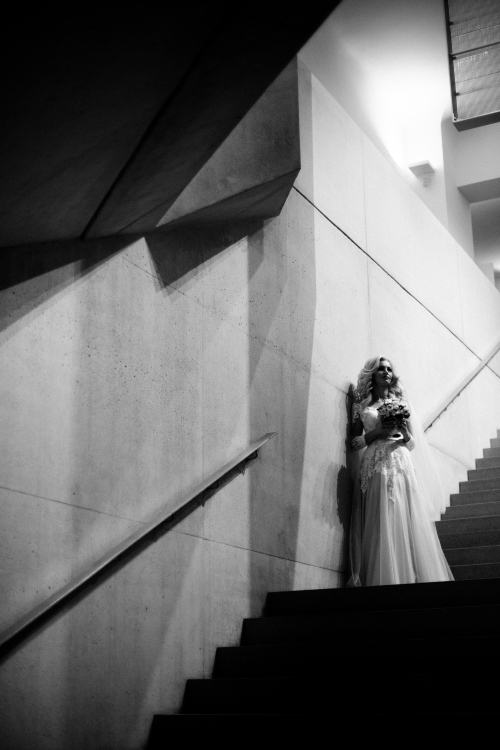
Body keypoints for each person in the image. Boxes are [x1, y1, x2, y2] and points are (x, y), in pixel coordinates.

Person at [347, 356, 454, 587]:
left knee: (401, 515)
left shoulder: (402, 404)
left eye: (389, 369)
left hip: (399, 462)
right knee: (379, 517)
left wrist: (403, 431)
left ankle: (405, 579)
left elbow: (411, 443)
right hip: (375, 465)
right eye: (380, 369)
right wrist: (379, 432)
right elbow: (354, 443)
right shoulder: (362, 405)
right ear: (372, 374)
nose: (386, 372)